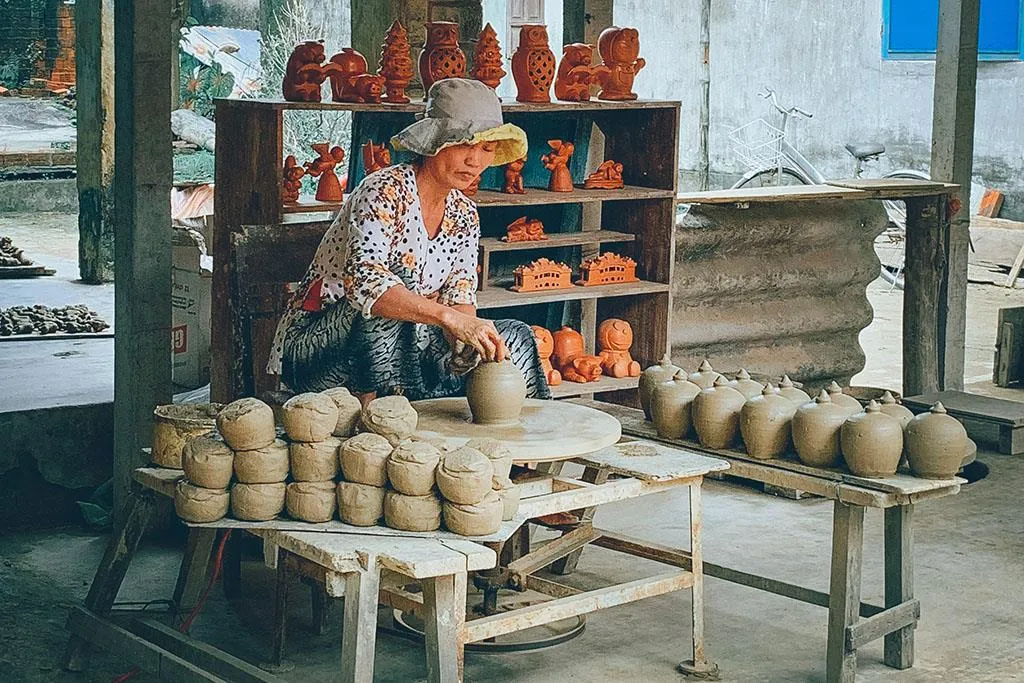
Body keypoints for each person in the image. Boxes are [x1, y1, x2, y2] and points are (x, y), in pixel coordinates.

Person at [267, 78, 551, 403]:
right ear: (434, 143)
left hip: (407, 348)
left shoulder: (464, 213)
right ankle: (375, 429)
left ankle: (523, 446)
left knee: (512, 338)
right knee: (388, 298)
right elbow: (367, 286)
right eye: (463, 144)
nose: (475, 160)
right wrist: (448, 319)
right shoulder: (383, 190)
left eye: (486, 148)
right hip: (319, 351)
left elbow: (460, 295)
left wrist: (467, 338)